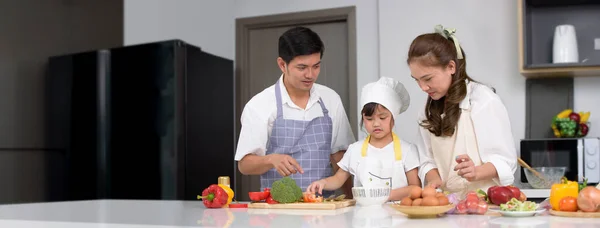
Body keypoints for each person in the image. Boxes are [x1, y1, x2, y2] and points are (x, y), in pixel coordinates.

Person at [234, 26, 355, 196]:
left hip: (324, 207)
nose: (310, 74)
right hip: (278, 208)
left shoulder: (330, 99)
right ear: (282, 65)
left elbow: (340, 157)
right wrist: (271, 159)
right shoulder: (260, 105)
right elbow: (244, 165)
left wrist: (351, 199)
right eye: (302, 67)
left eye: (316, 66)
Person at [407, 25, 517, 195]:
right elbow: (426, 160)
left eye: (427, 78)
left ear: (451, 67)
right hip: (446, 206)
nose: (422, 87)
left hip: (484, 204)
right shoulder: (428, 109)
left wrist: (476, 172)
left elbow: (506, 161)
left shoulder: (483, 100)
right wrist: (434, 179)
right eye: (417, 80)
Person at [307, 77, 421, 201]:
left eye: (382, 118)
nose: (376, 124)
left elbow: (415, 188)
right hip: (364, 217)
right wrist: (323, 183)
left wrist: (381, 196)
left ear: (393, 118)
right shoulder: (355, 150)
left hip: (398, 216)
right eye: (369, 119)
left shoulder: (407, 150)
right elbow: (338, 179)